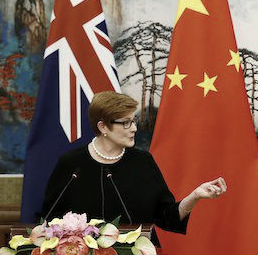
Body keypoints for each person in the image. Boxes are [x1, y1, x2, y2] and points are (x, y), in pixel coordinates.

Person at [41, 91, 227, 236]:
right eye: (126, 123)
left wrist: (195, 196)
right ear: (103, 126)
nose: (134, 128)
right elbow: (49, 221)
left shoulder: (143, 162)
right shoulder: (72, 163)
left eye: (134, 121)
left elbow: (166, 217)